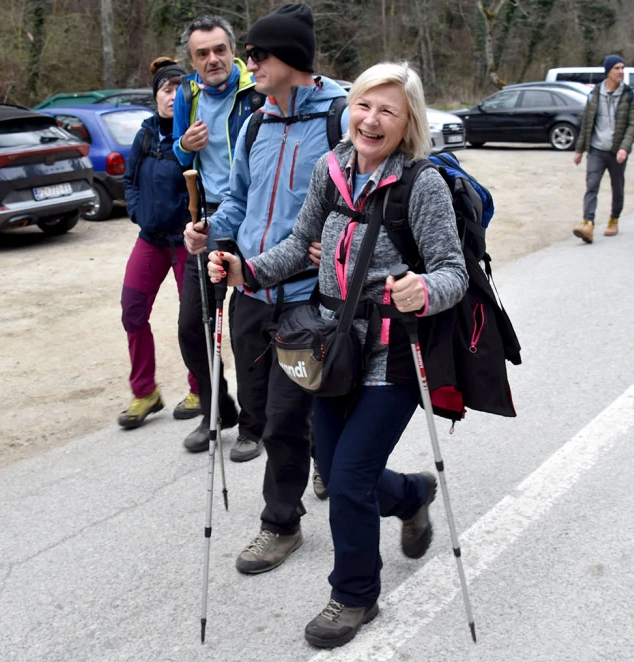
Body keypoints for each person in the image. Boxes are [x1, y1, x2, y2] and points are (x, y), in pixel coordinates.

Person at [207, 61, 468, 650]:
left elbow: (453, 272)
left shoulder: (421, 185)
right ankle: (412, 496)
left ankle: (354, 595)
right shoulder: (331, 169)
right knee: (350, 469)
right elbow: (299, 245)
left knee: (346, 480)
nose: (371, 120)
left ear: (409, 123)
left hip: (392, 354)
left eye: (387, 111)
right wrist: (246, 272)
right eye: (363, 106)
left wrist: (421, 290)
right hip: (330, 347)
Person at [184, 3, 349, 577]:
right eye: (248, 53)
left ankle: (280, 522)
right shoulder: (254, 121)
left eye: (257, 54)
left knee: (283, 416)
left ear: (292, 60)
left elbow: (364, 198)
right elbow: (239, 199)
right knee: (259, 410)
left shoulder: (341, 118)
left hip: (306, 296)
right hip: (250, 289)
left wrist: (334, 243)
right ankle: (319, 452)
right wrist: (211, 232)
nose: (246, 62)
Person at [173, 15, 262, 459]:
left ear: (233, 50)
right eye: (202, 53)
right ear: (193, 60)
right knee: (193, 326)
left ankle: (253, 424)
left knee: (247, 331)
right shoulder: (187, 95)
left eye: (219, 49)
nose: (213, 59)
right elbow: (176, 148)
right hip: (209, 223)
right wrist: (185, 144)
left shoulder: (255, 90)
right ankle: (216, 410)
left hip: (254, 224)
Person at [117, 57, 201, 429]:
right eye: (166, 90)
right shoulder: (146, 134)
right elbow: (130, 180)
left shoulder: (197, 132)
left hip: (187, 243)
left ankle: (201, 389)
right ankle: (144, 392)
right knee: (132, 311)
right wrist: (137, 211)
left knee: (193, 321)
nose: (172, 96)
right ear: (156, 96)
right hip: (150, 240)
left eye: (178, 90)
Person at [572, 54, 634, 243]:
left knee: (617, 187)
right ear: (608, 71)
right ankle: (588, 224)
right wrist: (579, 150)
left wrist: (624, 148)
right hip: (596, 149)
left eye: (622, 68)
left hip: (617, 150)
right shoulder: (594, 94)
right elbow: (587, 123)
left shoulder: (629, 95)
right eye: (616, 68)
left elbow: (633, 124)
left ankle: (614, 219)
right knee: (591, 185)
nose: (621, 72)